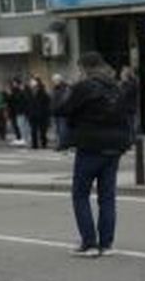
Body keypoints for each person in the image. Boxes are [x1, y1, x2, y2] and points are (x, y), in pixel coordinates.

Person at [53, 52, 136, 257]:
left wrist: (68, 89)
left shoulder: (84, 87)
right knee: (107, 197)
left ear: (84, 67)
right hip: (115, 146)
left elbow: (60, 109)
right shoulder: (115, 86)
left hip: (90, 146)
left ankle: (89, 243)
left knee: (80, 194)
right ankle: (106, 244)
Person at [26, 75, 52, 149]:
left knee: (42, 130)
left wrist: (46, 113)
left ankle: (43, 143)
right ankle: (34, 144)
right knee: (33, 130)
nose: (32, 84)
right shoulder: (29, 92)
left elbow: (47, 103)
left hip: (42, 114)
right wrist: (28, 112)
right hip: (32, 114)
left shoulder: (43, 92)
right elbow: (28, 103)